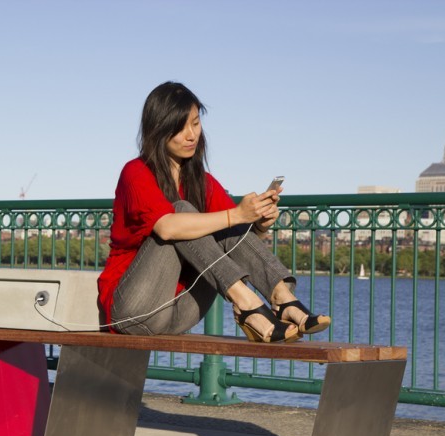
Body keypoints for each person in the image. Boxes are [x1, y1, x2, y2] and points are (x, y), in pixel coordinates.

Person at [97, 82, 330, 343]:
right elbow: (167, 227)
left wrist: (259, 224)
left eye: (195, 123)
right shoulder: (136, 172)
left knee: (226, 227)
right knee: (183, 213)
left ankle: (283, 298)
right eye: (180, 128)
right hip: (134, 311)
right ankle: (247, 305)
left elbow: (235, 241)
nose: (191, 135)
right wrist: (237, 214)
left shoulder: (202, 181)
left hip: (179, 312)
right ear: (158, 131)